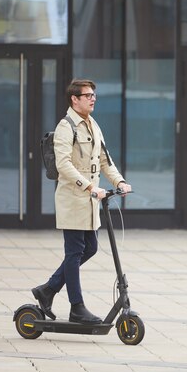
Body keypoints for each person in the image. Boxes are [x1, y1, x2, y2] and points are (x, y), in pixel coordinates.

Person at [31, 79, 132, 325]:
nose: (92, 98)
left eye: (93, 94)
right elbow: (64, 165)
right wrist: (90, 187)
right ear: (74, 99)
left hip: (90, 201)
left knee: (90, 248)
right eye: (87, 95)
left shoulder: (93, 125)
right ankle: (77, 307)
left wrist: (119, 182)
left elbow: (104, 160)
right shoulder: (67, 126)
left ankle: (48, 289)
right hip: (73, 199)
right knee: (75, 252)